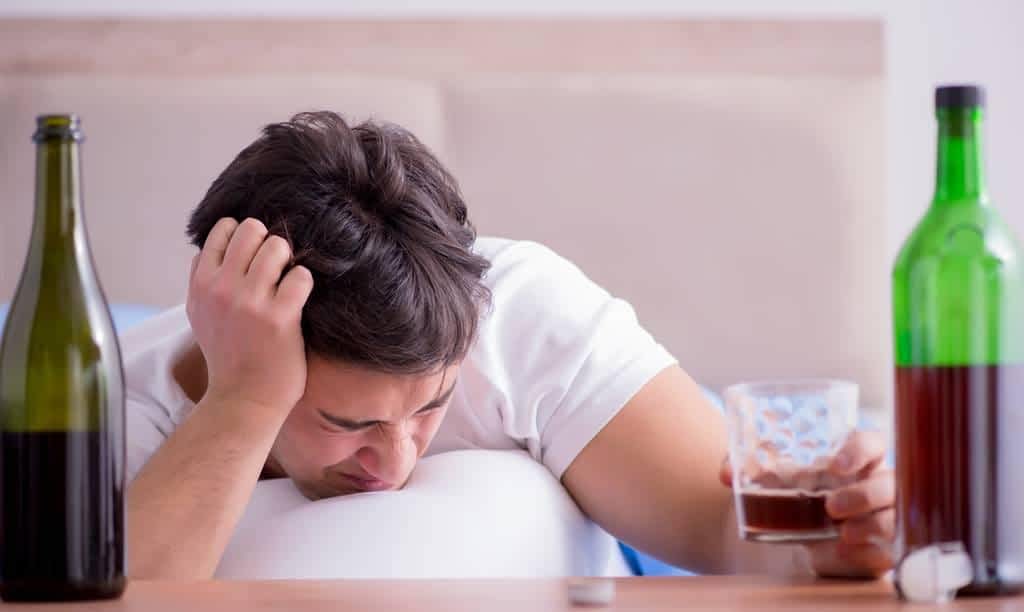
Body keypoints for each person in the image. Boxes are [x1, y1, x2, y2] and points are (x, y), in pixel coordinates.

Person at [125, 111, 894, 580]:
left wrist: (827, 544)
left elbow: (719, 529)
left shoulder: (520, 314)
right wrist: (246, 399)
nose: (395, 462)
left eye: (430, 407)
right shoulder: (115, 407)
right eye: (348, 424)